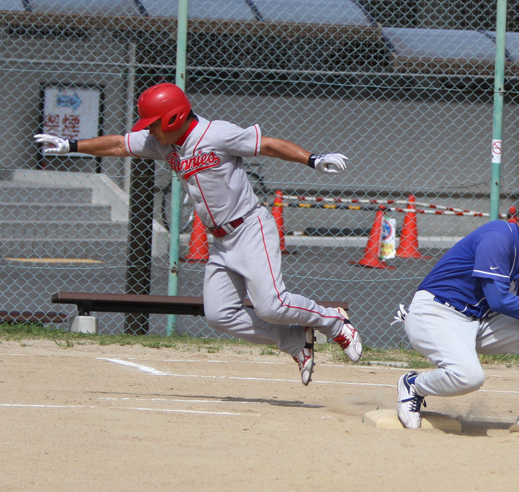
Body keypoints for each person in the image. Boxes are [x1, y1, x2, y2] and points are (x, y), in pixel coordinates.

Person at [33, 82, 362, 384]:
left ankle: (334, 323)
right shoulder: (165, 145)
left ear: (174, 119)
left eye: (153, 124)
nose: (149, 131)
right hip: (220, 241)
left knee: (271, 305)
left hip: (249, 228)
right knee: (220, 315)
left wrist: (313, 159)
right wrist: (70, 145)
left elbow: (268, 145)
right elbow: (119, 144)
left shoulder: (217, 134)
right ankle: (293, 341)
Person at [395, 191, 519, 438]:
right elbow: (499, 300)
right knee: (470, 377)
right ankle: (413, 385)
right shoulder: (498, 236)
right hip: (435, 313)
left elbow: (503, 305)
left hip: (474, 321)